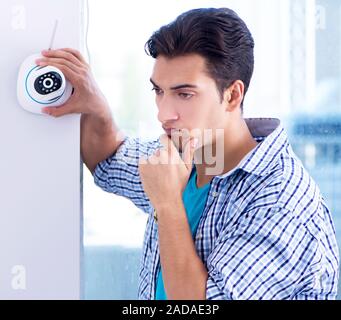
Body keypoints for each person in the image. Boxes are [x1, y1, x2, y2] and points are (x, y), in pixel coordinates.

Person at [35, 7, 339, 300]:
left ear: (233, 95)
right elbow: (109, 158)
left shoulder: (279, 203)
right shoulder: (195, 155)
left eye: (184, 94)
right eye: (158, 91)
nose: (164, 114)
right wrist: (96, 105)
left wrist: (167, 204)